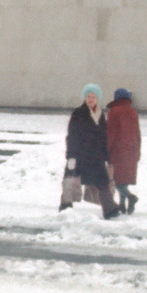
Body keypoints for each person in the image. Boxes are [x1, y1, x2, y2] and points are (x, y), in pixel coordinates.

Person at [60, 83, 119, 219]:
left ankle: (110, 210)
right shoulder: (78, 113)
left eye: (93, 96)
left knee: (103, 182)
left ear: (97, 98)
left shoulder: (100, 114)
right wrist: (71, 156)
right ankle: (65, 207)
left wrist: (106, 156)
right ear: (84, 98)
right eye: (88, 96)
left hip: (96, 157)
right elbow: (72, 135)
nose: (90, 99)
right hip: (81, 156)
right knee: (71, 180)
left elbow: (104, 137)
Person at [105, 86, 141, 214]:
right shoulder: (133, 112)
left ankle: (131, 198)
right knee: (123, 179)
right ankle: (122, 205)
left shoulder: (114, 112)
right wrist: (138, 152)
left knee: (116, 179)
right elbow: (138, 134)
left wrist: (106, 150)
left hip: (118, 152)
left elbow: (110, 133)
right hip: (132, 151)